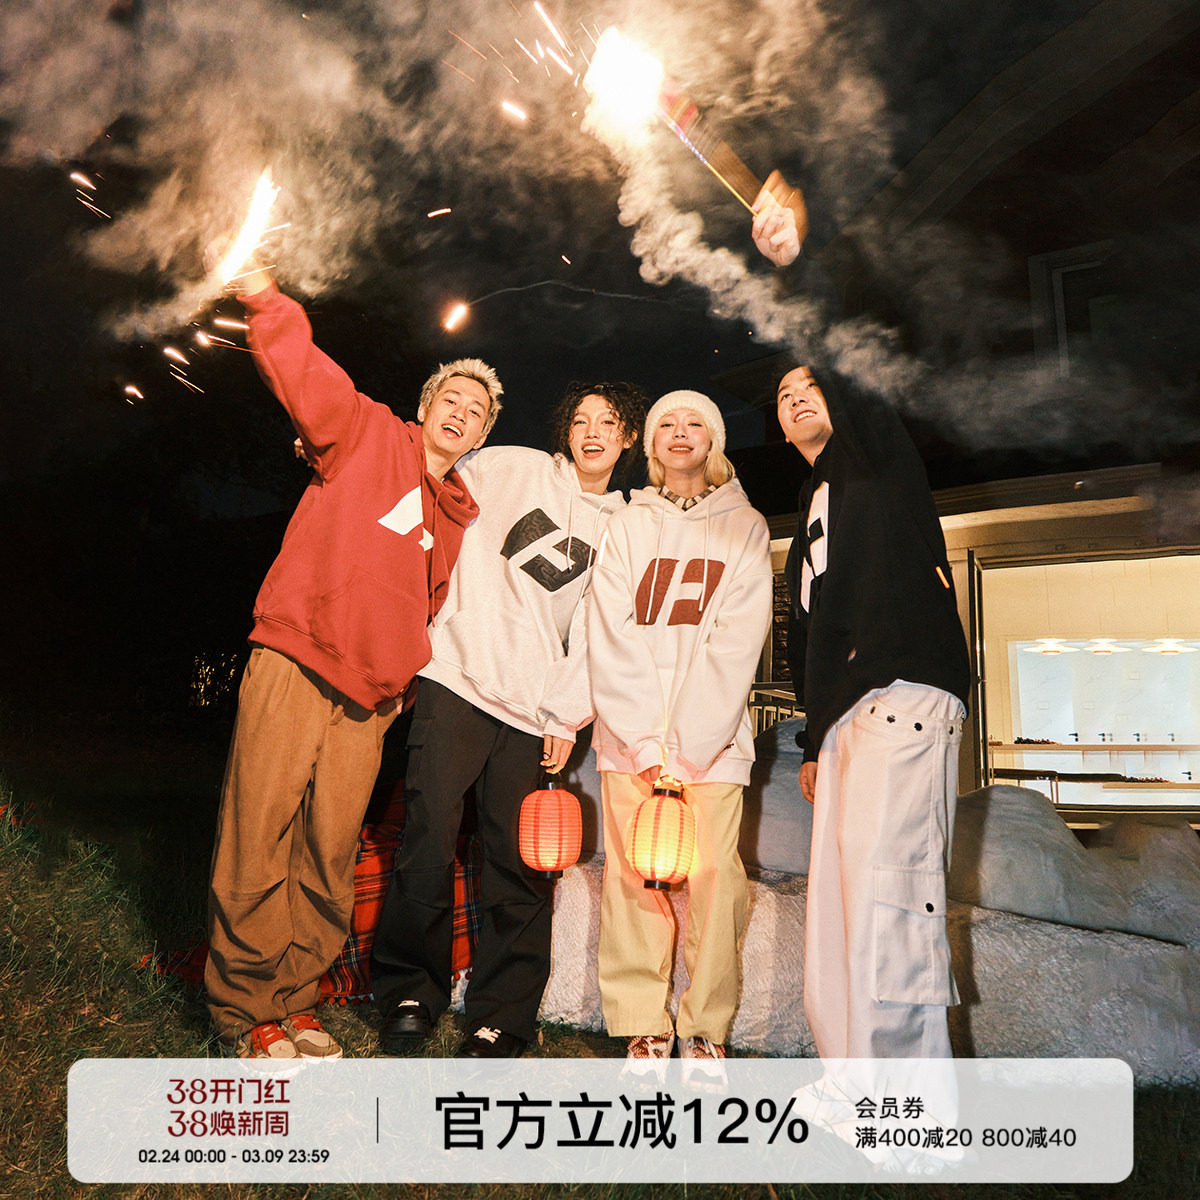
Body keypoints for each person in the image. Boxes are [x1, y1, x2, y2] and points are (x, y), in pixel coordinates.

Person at [204, 262, 501, 1060]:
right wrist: (264, 298)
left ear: (480, 437)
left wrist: (401, 685)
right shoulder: (364, 433)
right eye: (452, 399)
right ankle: (245, 1008)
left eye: (476, 412)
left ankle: (297, 999)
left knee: (328, 852)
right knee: (259, 831)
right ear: (425, 408)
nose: (461, 413)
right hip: (298, 658)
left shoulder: (458, 520)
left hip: (369, 701)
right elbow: (305, 376)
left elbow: (428, 609)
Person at [370, 382, 648, 1058]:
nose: (591, 432)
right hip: (456, 674)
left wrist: (566, 714)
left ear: (627, 438)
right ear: (565, 431)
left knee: (516, 859)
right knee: (428, 835)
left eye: (607, 422)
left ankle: (503, 1015)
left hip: (532, 706)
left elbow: (599, 629)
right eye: (579, 420)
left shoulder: (622, 527)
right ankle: (411, 992)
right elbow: (428, 467)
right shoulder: (510, 466)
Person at [769, 351, 971, 1059]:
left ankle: (906, 1105)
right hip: (846, 721)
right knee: (838, 909)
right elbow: (817, 635)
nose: (797, 396)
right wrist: (815, 739)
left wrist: (805, 285)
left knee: (892, 902)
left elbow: (850, 361)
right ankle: (848, 1084)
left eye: (812, 385)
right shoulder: (814, 498)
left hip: (904, 693)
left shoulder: (876, 459)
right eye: (784, 394)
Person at [586, 391, 773, 1084]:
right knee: (632, 878)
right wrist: (645, 743)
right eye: (666, 423)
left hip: (714, 745)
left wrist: (688, 747)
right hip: (629, 739)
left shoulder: (745, 526)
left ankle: (705, 1027)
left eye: (696, 423)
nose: (680, 432)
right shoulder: (627, 524)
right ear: (650, 443)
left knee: (717, 878)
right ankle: (642, 1021)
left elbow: (737, 642)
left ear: (714, 439)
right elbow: (611, 633)